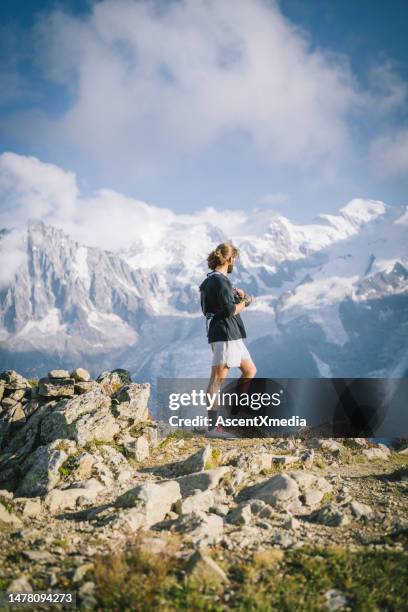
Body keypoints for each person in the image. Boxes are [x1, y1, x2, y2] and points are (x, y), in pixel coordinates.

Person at [199, 242, 257, 439]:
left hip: (231, 334)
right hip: (224, 333)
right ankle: (213, 428)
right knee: (217, 379)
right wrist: (246, 301)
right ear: (231, 259)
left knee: (250, 370)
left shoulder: (211, 280)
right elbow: (229, 311)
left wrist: (237, 297)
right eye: (235, 260)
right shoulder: (219, 282)